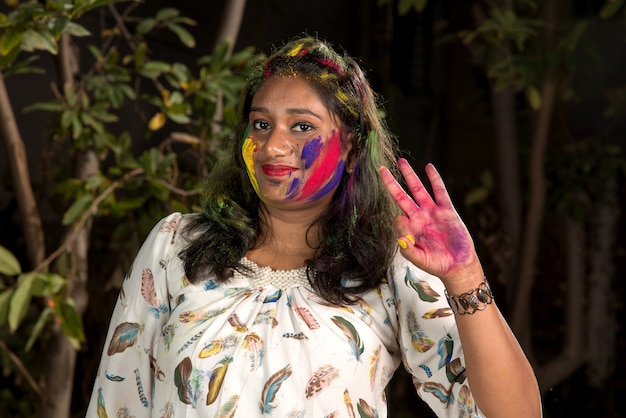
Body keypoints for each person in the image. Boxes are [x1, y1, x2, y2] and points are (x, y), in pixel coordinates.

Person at [86, 35, 541, 417]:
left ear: (349, 145)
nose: (272, 146)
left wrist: (465, 276)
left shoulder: (390, 264)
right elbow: (117, 401)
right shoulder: (177, 246)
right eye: (260, 124)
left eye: (302, 127)